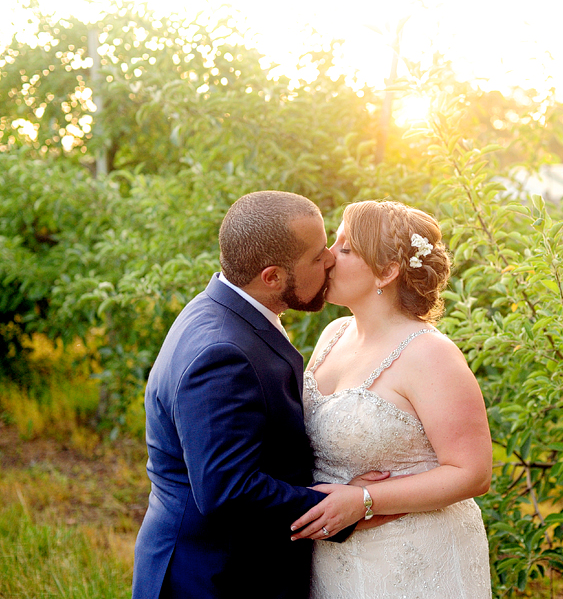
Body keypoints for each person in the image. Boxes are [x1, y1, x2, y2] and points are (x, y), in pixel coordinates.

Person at [132, 191, 378, 599]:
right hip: (213, 576)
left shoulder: (221, 307)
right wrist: (339, 507)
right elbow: (227, 491)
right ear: (272, 277)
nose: (332, 259)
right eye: (317, 257)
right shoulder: (222, 354)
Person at [289, 200, 493, 598]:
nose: (328, 256)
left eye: (346, 249)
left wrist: (366, 500)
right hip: (334, 558)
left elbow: (473, 472)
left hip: (411, 561)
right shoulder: (334, 334)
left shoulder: (429, 354)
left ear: (387, 271)